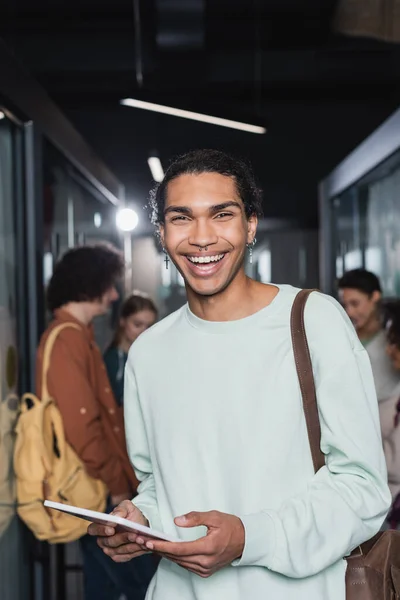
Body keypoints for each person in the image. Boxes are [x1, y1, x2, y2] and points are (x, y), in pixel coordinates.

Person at [89, 150, 390, 600]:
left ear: (250, 225)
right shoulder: (148, 352)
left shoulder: (314, 320)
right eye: (182, 218)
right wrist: (140, 520)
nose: (202, 238)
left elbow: (363, 487)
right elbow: (159, 484)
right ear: (162, 232)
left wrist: (250, 537)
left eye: (222, 215)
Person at [38, 244, 156, 600]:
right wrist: (116, 484)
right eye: (109, 285)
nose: (115, 294)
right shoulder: (69, 338)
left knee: (103, 583)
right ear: (90, 285)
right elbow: (83, 426)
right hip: (96, 487)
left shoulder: (78, 335)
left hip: (97, 484)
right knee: (140, 581)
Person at [338, 268, 399, 401]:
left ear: (375, 296)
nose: (350, 312)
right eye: (345, 305)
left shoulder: (394, 335)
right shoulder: (342, 335)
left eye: (355, 303)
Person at [104, 293, 158, 406]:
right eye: (137, 324)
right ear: (122, 321)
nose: (144, 332)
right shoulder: (112, 361)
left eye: (150, 326)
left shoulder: (156, 358)